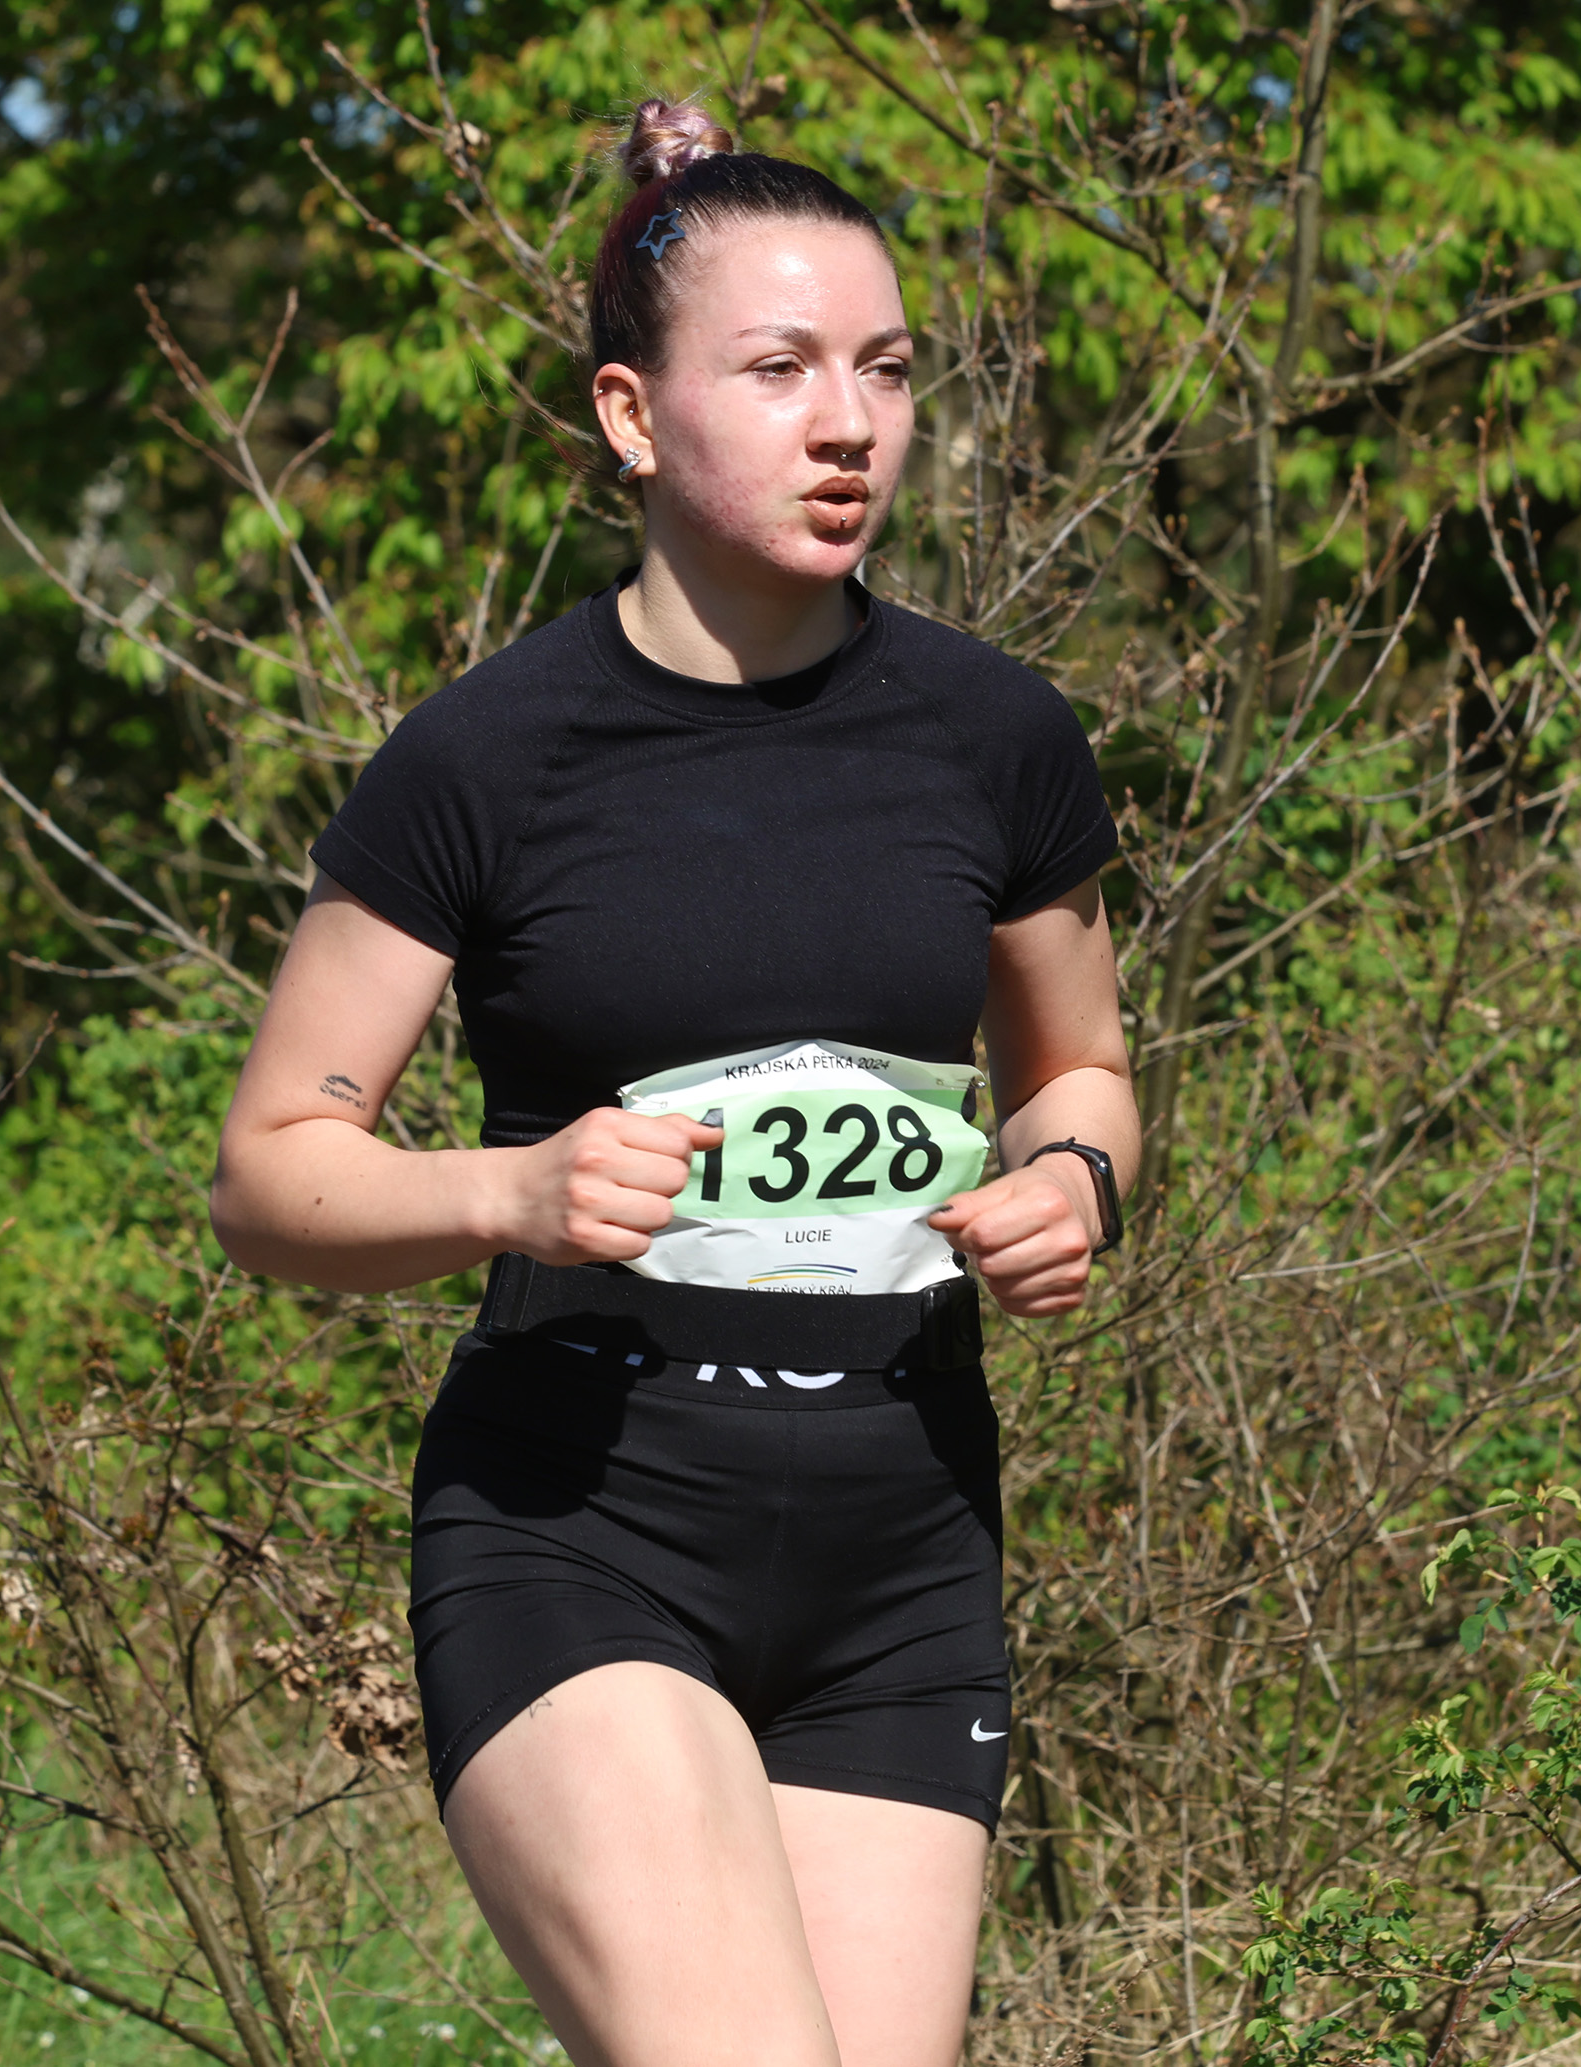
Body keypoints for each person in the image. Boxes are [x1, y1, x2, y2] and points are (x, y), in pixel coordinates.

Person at [208, 94, 1140, 2067]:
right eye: (781, 369)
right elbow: (271, 1171)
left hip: (904, 1546)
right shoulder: (482, 761)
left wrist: (1075, 1185)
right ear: (631, 416)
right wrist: (509, 1191)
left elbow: (1080, 1068)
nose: (850, 425)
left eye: (887, 370)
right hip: (584, 1520)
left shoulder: (993, 738)